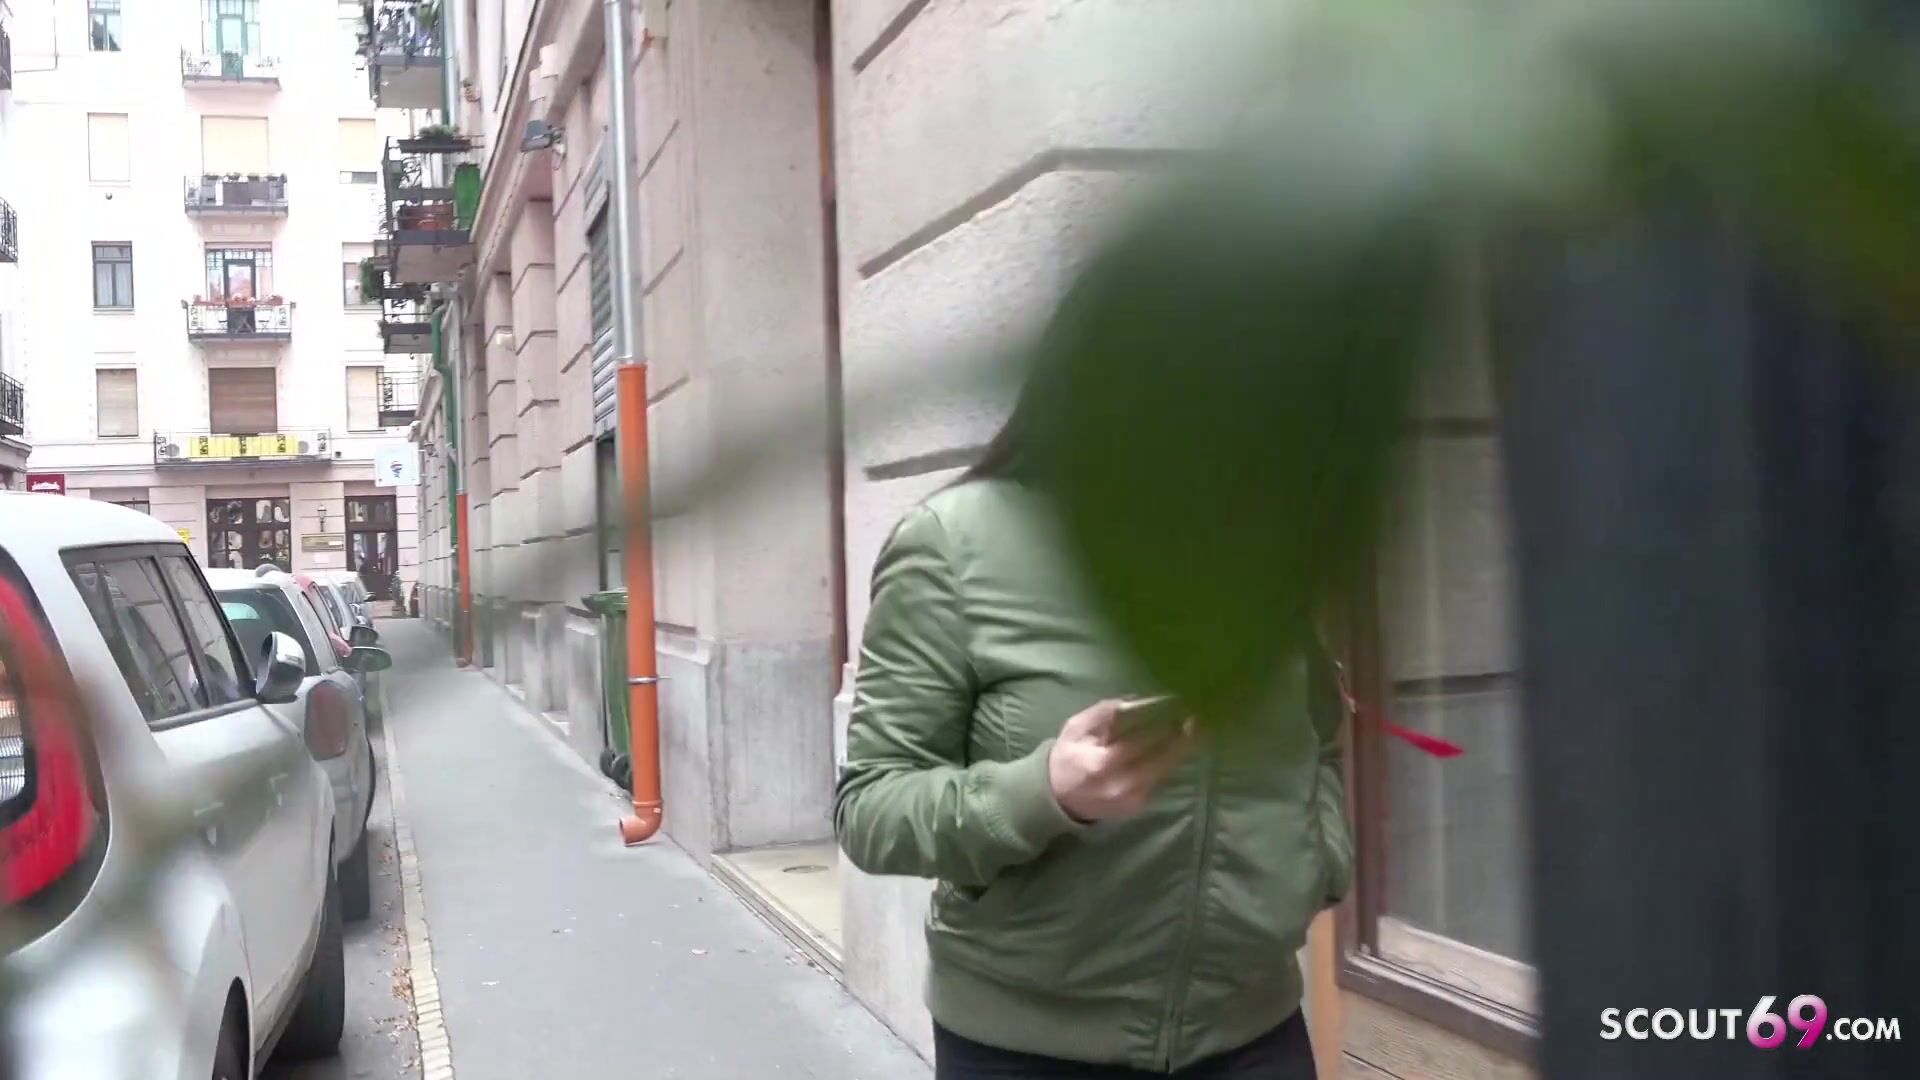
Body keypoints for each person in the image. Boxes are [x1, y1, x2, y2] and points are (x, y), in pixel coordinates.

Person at [834, 399, 1353, 1079]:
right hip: (1029, 1049)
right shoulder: (955, 543)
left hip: (1254, 1031)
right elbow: (871, 804)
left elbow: (1320, 736)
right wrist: (1042, 793)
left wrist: (1321, 860)